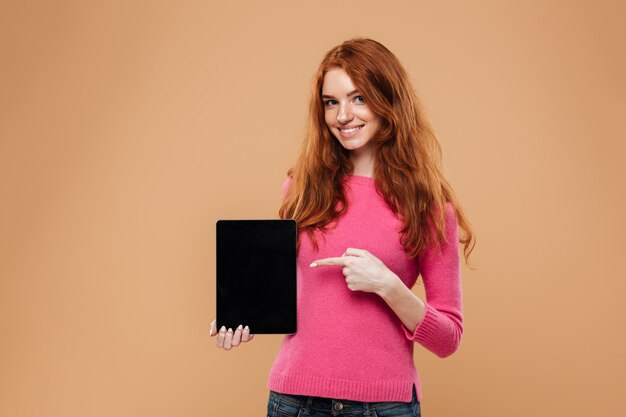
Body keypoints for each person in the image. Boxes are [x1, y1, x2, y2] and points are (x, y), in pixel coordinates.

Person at [209, 37, 475, 417]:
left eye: (358, 98)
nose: (343, 115)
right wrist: (244, 312)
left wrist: (388, 285)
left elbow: (448, 338)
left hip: (384, 406)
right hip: (293, 401)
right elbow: (290, 292)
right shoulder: (301, 188)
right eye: (331, 102)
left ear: (389, 100)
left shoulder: (429, 206)